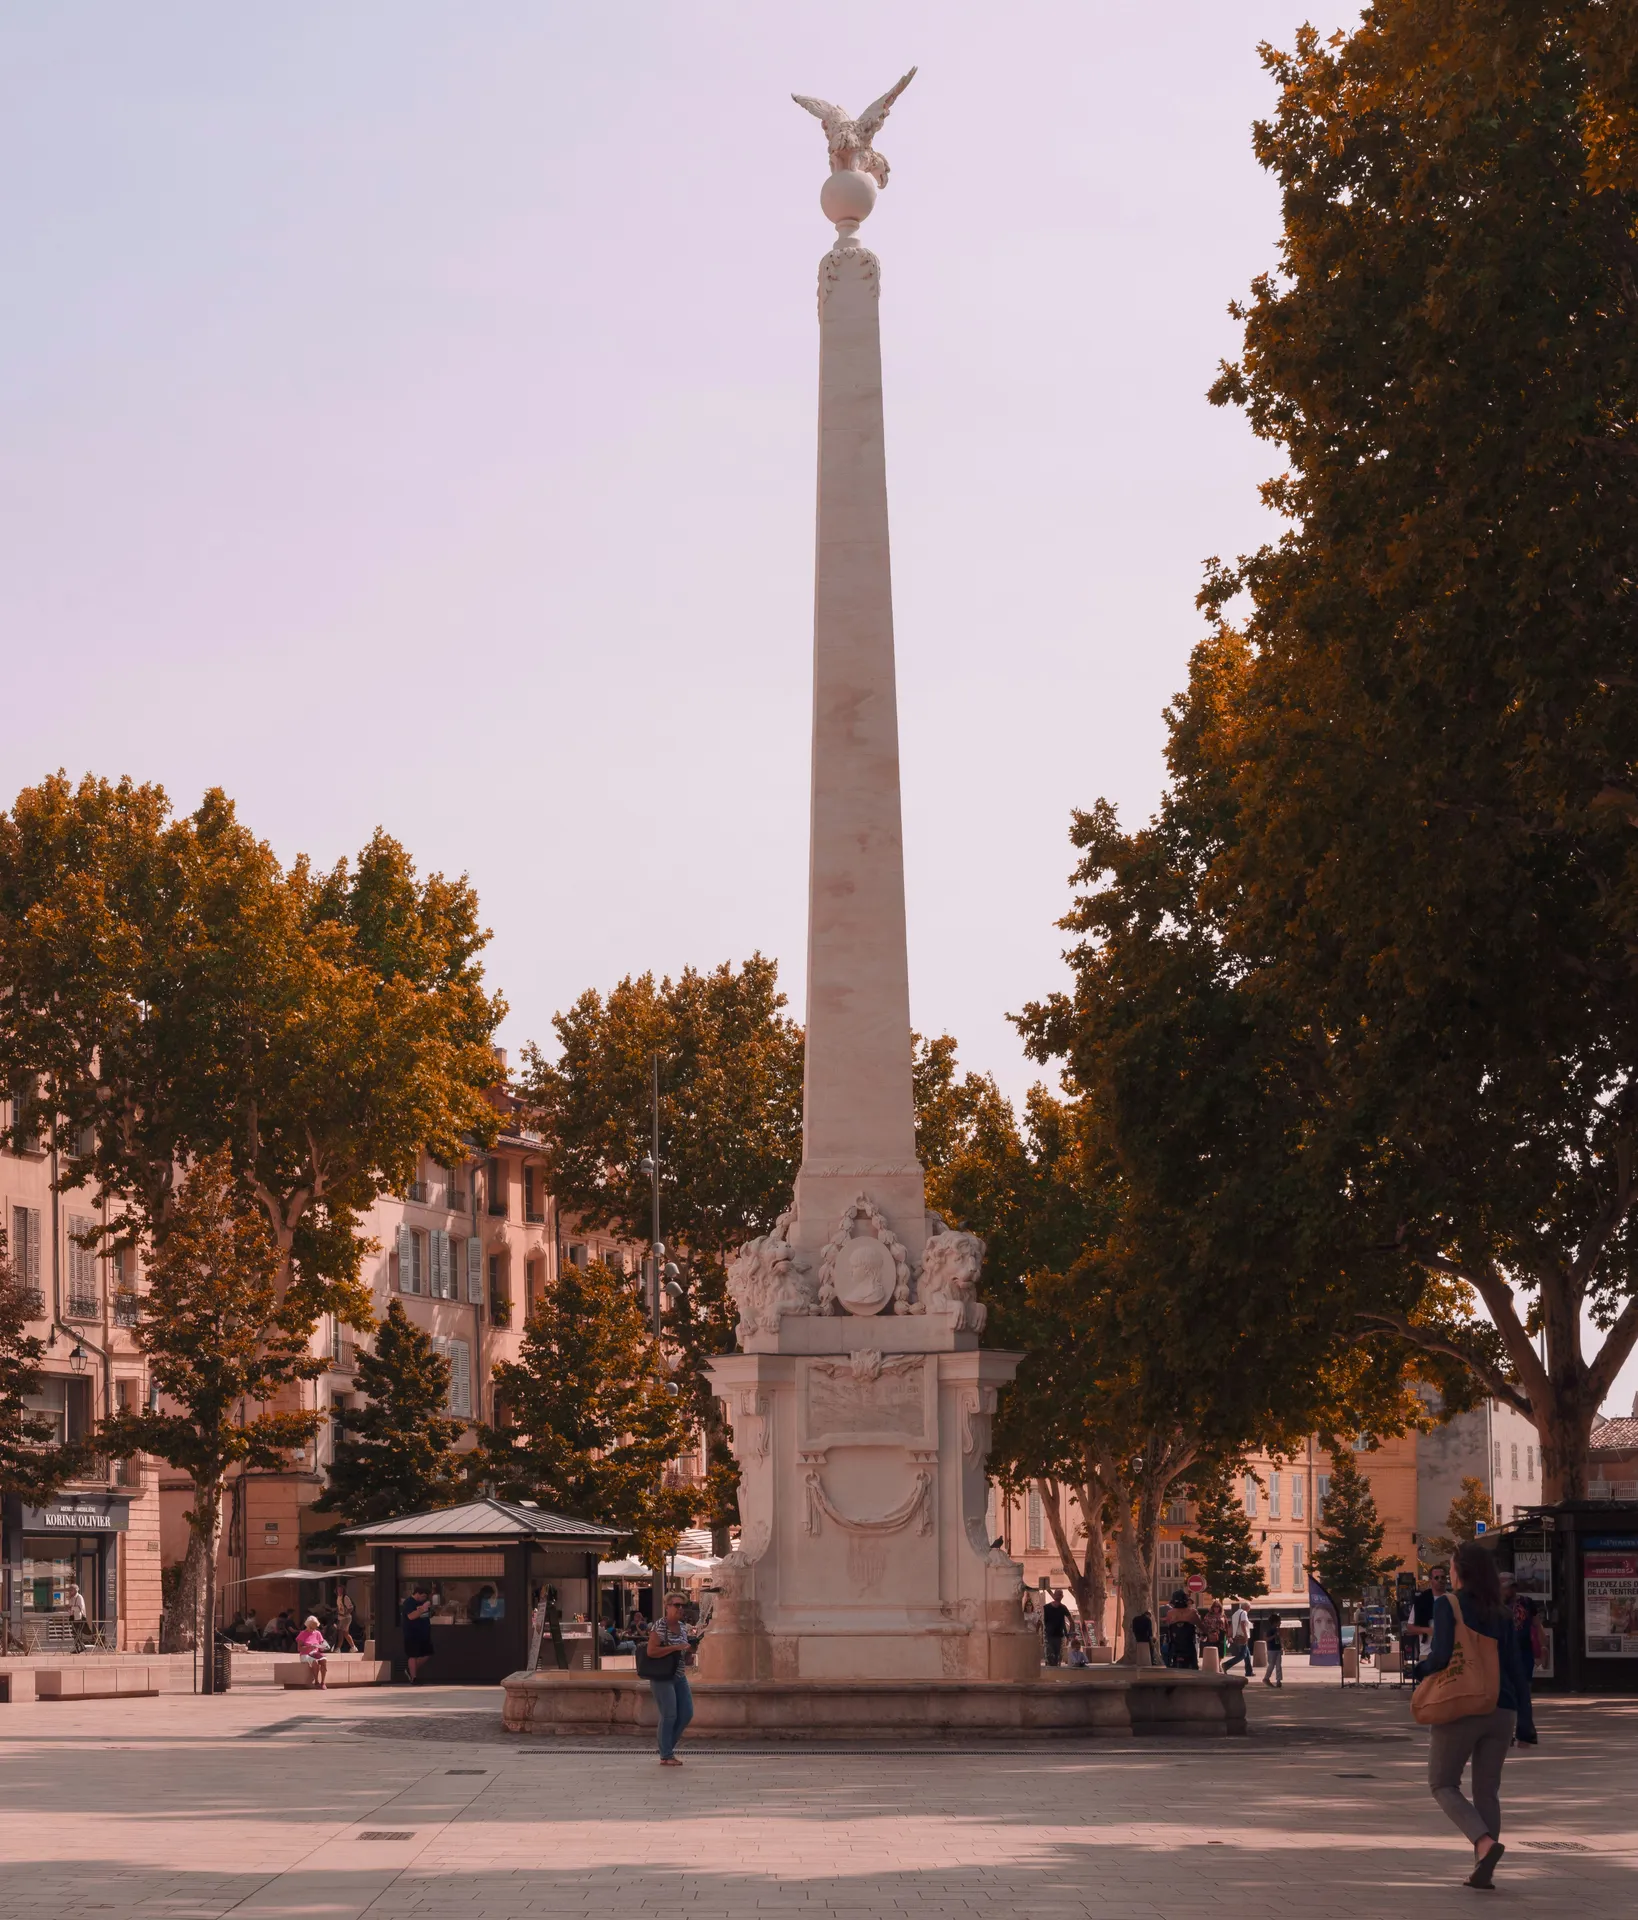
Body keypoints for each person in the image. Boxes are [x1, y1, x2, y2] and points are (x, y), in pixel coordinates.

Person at [1423, 1538, 1528, 1890]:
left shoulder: (1447, 1604)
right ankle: (1484, 1870)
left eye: (1451, 1566)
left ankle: (1484, 1843)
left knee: (1442, 1783)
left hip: (1463, 1704)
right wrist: (1526, 1724)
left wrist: (1418, 1671)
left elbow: (1439, 1657)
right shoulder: (1501, 1611)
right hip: (1503, 1709)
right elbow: (1516, 1668)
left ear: (1459, 1571)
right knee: (1487, 1791)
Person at [645, 1591, 694, 1766]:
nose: (680, 1608)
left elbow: (681, 1651)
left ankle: (666, 1749)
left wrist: (688, 1653)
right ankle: (666, 1754)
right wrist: (676, 1647)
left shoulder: (682, 1627)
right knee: (669, 1715)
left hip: (679, 1675)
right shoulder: (660, 1626)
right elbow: (651, 1651)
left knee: (687, 1713)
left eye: (682, 1605)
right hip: (662, 1676)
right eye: (676, 1605)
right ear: (667, 1606)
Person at [1508, 1585, 1543, 1747]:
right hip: (1504, 1654)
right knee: (1506, 1695)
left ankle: (1524, 1734)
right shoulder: (1493, 1603)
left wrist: (1542, 1647)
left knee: (1523, 1694)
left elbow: (1537, 1625)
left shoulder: (1527, 1602)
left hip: (1523, 1653)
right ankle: (1508, 1734)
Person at [1405, 1565, 1448, 1678]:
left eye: (1443, 1577)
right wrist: (1428, 1630)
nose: (1440, 1580)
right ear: (1430, 1580)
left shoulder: (1452, 1599)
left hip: (1449, 1653)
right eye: (1437, 1578)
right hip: (1427, 1653)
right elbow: (1410, 1627)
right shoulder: (1421, 1601)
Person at [401, 1584, 434, 1683]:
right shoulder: (409, 1603)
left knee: (428, 1653)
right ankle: (413, 1677)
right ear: (418, 1594)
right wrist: (423, 1609)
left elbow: (427, 1614)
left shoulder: (421, 1602)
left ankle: (410, 1670)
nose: (424, 1598)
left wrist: (430, 1611)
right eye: (423, 1596)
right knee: (413, 1655)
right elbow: (411, 1616)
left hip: (423, 1632)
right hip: (412, 1633)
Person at [1164, 1590, 1200, 1670]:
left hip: (1175, 1644)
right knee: (1194, 1664)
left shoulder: (1170, 1613)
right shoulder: (1192, 1612)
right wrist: (1204, 1633)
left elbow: (1168, 1625)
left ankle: (1170, 1664)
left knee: (1169, 1654)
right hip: (1188, 1645)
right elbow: (1200, 1625)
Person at [295, 1614, 330, 1690]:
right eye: (311, 1628)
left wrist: (322, 1647)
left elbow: (321, 1644)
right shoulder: (302, 1634)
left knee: (324, 1660)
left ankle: (323, 1682)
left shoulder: (317, 1633)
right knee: (315, 1661)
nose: (312, 1630)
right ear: (307, 1625)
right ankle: (316, 1681)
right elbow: (299, 1648)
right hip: (305, 1654)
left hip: (315, 1653)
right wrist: (309, 1647)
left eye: (314, 1628)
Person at [1041, 1589, 1072, 1667]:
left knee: (1058, 1657)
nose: (1059, 1596)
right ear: (1054, 1595)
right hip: (1048, 1636)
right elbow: (1041, 1621)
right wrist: (1041, 1634)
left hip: (1059, 1636)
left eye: (1060, 1594)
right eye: (1057, 1594)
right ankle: (1049, 1675)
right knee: (1049, 1656)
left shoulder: (1063, 1608)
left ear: (1062, 1597)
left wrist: (1069, 1634)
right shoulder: (1046, 1608)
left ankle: (1056, 1673)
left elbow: (1071, 1621)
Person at [1224, 1598, 1253, 1675]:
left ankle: (1249, 1672)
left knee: (1247, 1655)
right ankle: (1226, 1665)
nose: (1250, 1609)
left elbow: (1232, 1626)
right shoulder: (1243, 1613)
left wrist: (1230, 1635)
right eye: (1250, 1607)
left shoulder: (1235, 1613)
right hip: (1242, 1636)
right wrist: (1246, 1635)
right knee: (1242, 1655)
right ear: (1247, 1607)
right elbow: (1243, 1624)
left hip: (1237, 1636)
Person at [333, 1584, 358, 1653]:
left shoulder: (345, 1597)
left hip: (346, 1618)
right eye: (338, 1590)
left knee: (343, 1632)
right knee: (343, 1633)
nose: (339, 1591)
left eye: (341, 1590)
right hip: (341, 1618)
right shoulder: (338, 1597)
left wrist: (345, 1614)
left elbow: (351, 1607)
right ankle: (352, 1647)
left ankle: (339, 1648)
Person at [1262, 1611, 1284, 1687]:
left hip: (1277, 1649)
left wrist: (1281, 1647)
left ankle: (1279, 1680)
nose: (1280, 1623)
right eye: (1279, 1622)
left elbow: (1279, 1639)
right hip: (1271, 1650)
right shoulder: (1270, 1630)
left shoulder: (1277, 1629)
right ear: (1275, 1622)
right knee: (1271, 1664)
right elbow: (1266, 1638)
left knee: (1278, 1665)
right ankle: (1266, 1678)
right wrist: (1274, 1636)